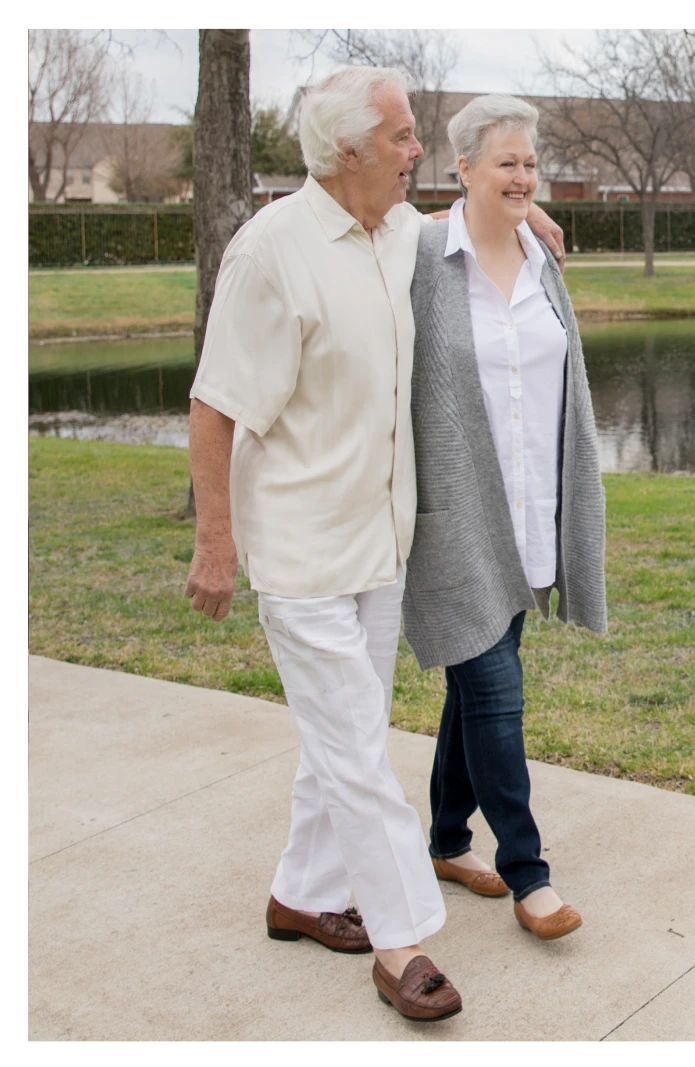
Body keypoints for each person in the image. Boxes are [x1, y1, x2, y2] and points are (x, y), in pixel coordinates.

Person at [183, 69, 565, 1022]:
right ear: (348, 150)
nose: (414, 152)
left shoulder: (399, 235)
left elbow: (467, 217)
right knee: (357, 748)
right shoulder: (270, 251)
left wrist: (524, 220)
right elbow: (214, 402)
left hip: (380, 545)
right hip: (303, 548)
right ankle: (400, 941)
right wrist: (215, 541)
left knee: (335, 738)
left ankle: (297, 896)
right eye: (400, 137)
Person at [403, 94, 607, 941]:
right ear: (462, 170)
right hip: (456, 518)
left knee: (474, 677)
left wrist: (523, 208)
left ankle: (447, 838)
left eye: (531, 163)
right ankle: (529, 873)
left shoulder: (542, 257)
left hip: (533, 511)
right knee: (493, 691)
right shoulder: (418, 253)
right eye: (506, 163)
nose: (523, 175)